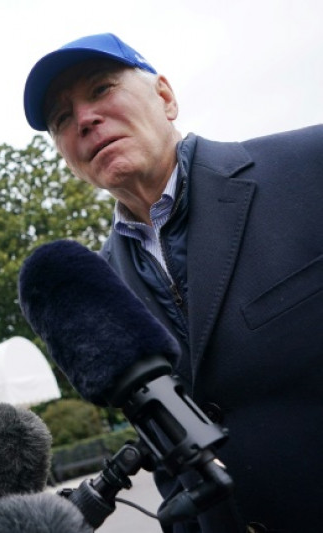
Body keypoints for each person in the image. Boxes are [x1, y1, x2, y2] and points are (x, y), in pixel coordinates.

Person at [23, 33, 323, 532]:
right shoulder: (97, 290)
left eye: (101, 89)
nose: (84, 119)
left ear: (164, 97)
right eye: (61, 119)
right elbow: (168, 460)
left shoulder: (310, 168)